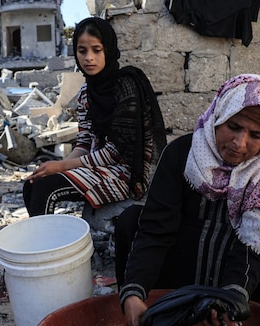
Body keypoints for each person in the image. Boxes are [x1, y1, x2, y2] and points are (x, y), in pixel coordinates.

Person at [115, 74, 260, 326]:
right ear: (219, 114)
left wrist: (231, 296)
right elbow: (156, 230)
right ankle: (145, 322)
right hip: (179, 276)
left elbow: (252, 246)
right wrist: (133, 292)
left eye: (255, 135)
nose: (239, 143)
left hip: (236, 277)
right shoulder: (182, 155)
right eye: (233, 127)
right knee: (130, 221)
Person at [22, 17, 166, 216]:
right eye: (82, 51)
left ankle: (45, 246)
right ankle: (44, 244)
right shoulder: (85, 93)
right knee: (33, 183)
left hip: (125, 173)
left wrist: (62, 165)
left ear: (108, 49)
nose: (89, 57)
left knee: (46, 189)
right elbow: (83, 143)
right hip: (95, 167)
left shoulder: (125, 87)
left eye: (96, 50)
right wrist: (55, 168)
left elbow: (116, 152)